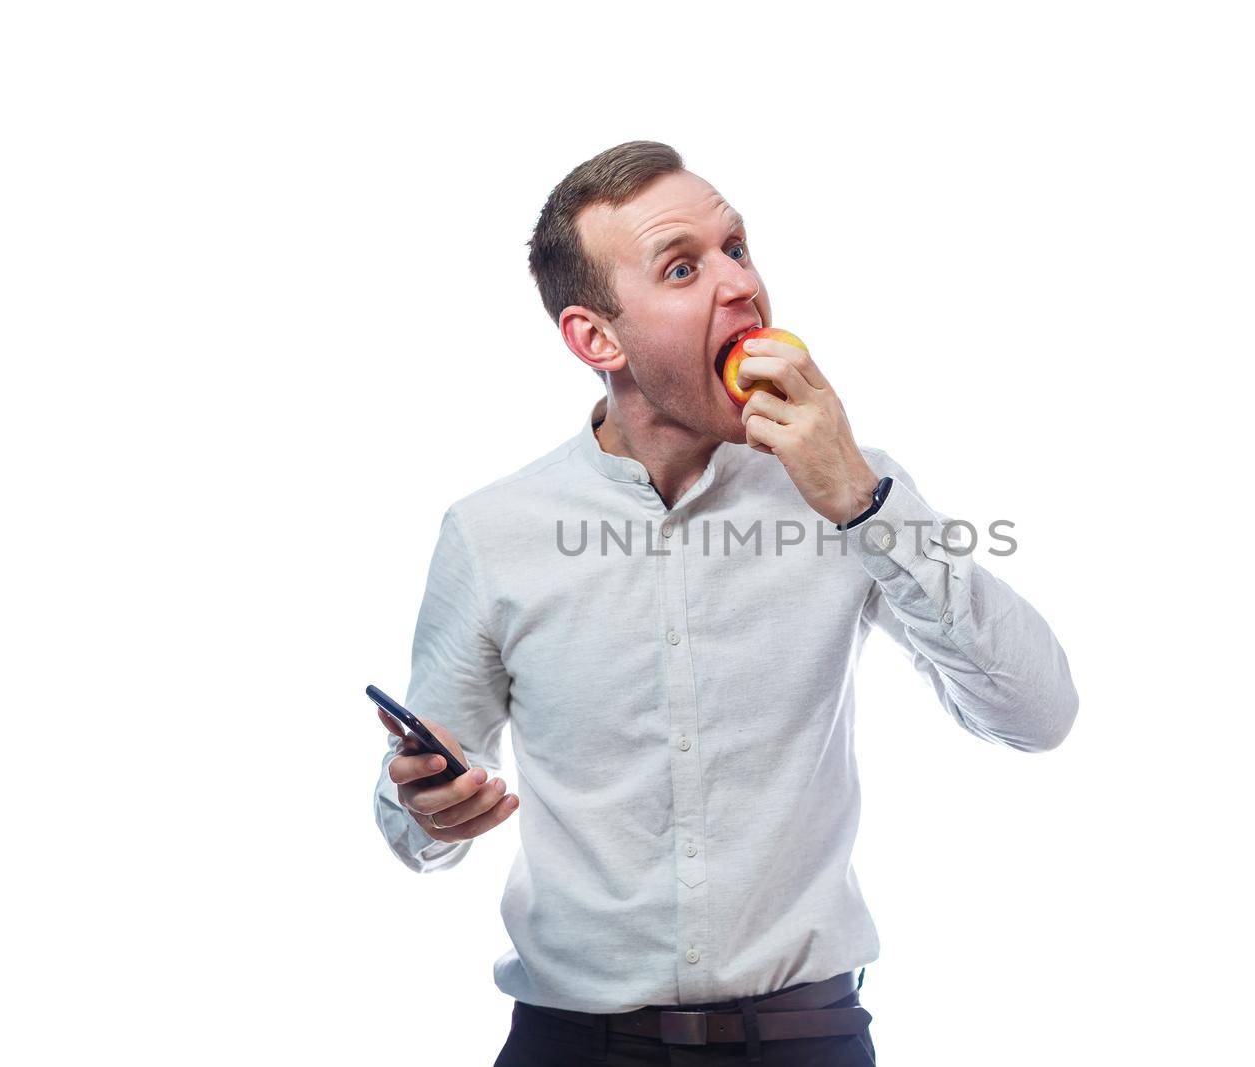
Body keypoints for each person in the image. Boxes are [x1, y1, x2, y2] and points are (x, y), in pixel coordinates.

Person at [372, 140, 1080, 1065]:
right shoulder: (493, 531)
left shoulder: (847, 490)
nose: (740, 286)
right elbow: (414, 815)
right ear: (598, 339)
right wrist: (425, 810)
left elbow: (1038, 716)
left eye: (736, 247)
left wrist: (865, 504)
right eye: (682, 267)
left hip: (804, 1037)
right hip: (571, 1044)